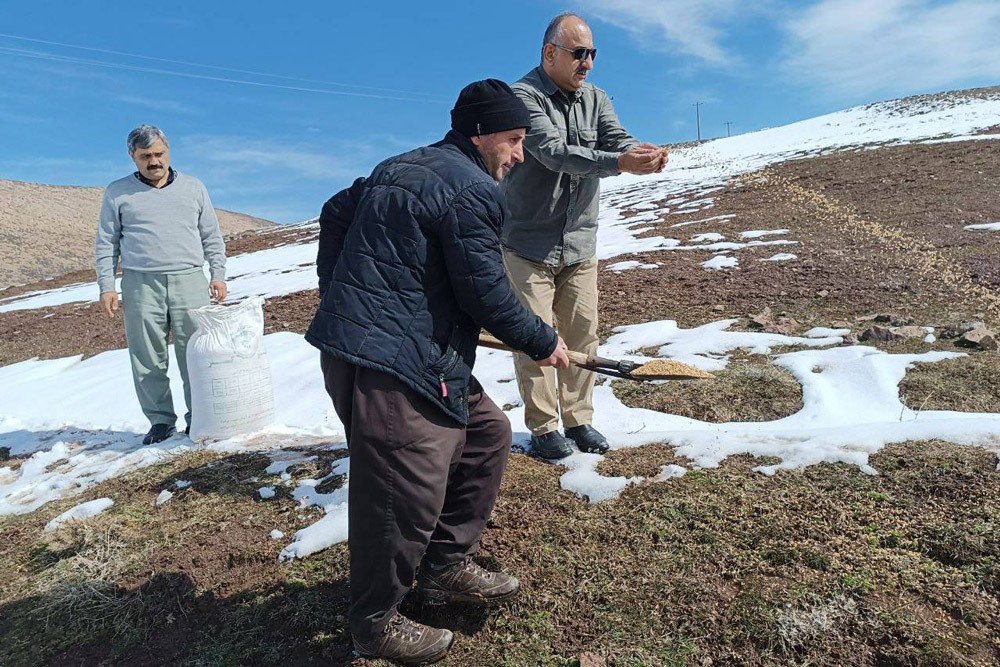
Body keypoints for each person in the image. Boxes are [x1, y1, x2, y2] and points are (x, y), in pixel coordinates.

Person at [306, 79, 570, 665]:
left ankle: (445, 567)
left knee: (485, 436)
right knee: (402, 493)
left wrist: (339, 294)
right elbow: (485, 291)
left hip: (409, 353)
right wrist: (542, 341)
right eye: (513, 140)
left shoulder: (399, 167)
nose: (519, 155)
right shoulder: (474, 190)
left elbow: (334, 212)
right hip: (392, 361)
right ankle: (373, 622)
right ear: (480, 134)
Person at [501, 13, 668, 460]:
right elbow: (554, 153)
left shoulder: (595, 97)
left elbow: (615, 137)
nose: (588, 63)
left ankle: (578, 419)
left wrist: (640, 153)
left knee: (582, 335)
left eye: (592, 53)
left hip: (579, 242)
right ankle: (543, 428)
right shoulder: (523, 96)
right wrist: (619, 164)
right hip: (527, 244)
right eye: (579, 54)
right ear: (549, 53)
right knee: (535, 338)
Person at [94, 125, 227, 445]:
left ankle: (200, 418)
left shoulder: (194, 187)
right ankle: (161, 421)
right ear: (132, 157)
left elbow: (211, 234)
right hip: (140, 284)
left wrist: (218, 274)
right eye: (145, 156)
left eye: (159, 154)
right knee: (147, 356)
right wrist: (106, 285)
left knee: (195, 353)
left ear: (168, 150)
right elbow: (106, 242)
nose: (154, 161)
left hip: (189, 280)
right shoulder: (117, 192)